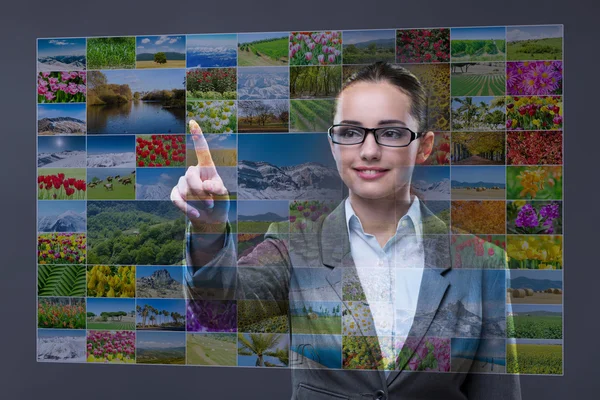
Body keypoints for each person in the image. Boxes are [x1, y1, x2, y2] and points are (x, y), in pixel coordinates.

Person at [171, 61, 522, 400]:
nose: (369, 151)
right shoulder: (296, 246)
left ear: (424, 146)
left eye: (391, 133)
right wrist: (208, 227)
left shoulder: (483, 265)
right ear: (334, 144)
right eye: (351, 132)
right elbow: (217, 312)